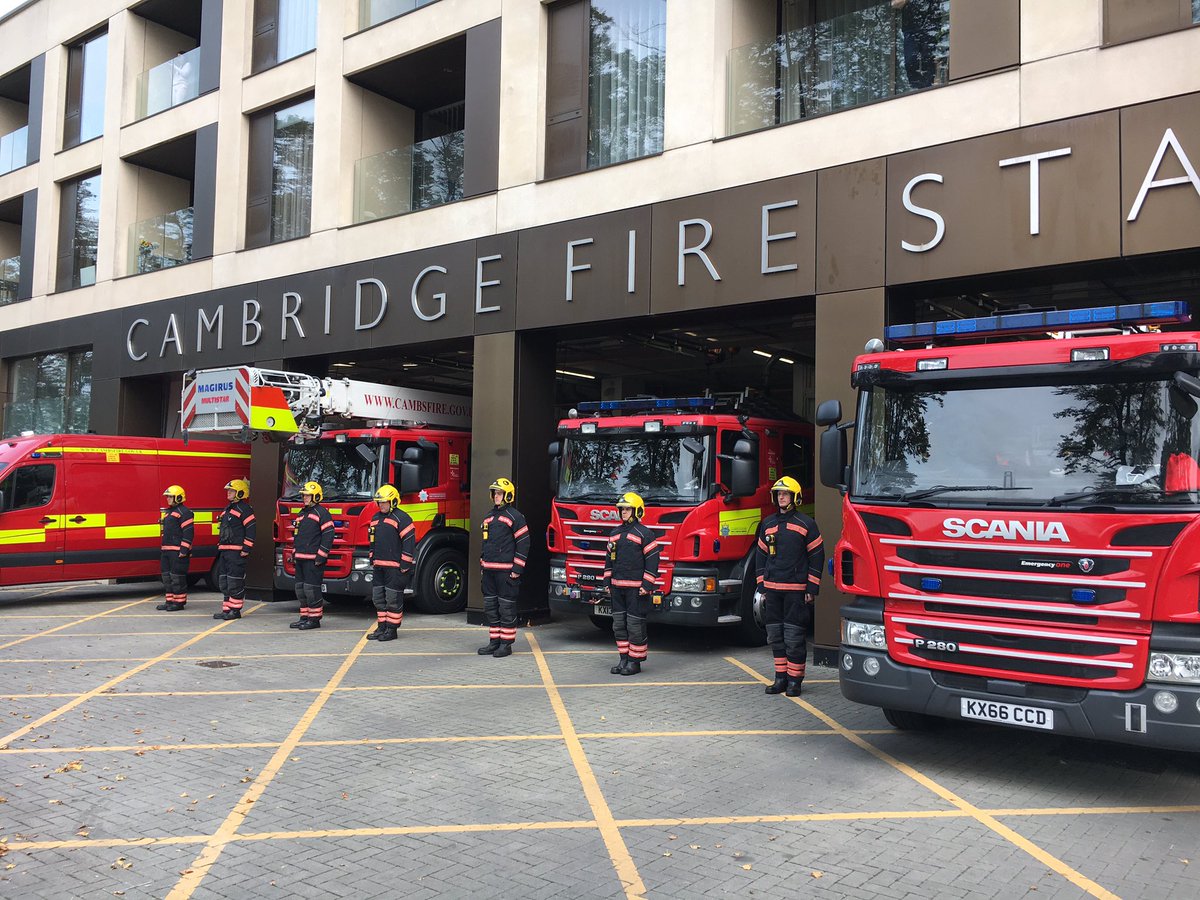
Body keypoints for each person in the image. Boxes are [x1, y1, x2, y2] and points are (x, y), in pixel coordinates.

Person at [755, 476, 824, 697]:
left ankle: (795, 681)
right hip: (772, 590)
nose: (781, 497)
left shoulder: (806, 524)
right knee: (775, 636)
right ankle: (780, 679)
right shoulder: (767, 524)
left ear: (795, 497)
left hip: (796, 591)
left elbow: (817, 557)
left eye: (785, 494)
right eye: (778, 494)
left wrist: (811, 589)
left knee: (794, 638)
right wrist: (761, 586)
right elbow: (760, 556)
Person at [601, 492, 661, 676]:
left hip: (636, 590)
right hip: (617, 588)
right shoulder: (615, 534)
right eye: (622, 509)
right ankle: (623, 659)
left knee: (634, 625)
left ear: (637, 511)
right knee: (619, 624)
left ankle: (635, 662)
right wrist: (607, 582)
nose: (624, 512)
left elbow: (653, 560)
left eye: (627, 509)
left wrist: (647, 585)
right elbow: (609, 560)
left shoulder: (645, 534)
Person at [477, 477, 529, 658]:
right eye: (495, 493)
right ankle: (494, 642)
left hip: (507, 572)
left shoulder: (515, 517)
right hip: (490, 571)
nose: (496, 496)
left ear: (507, 495)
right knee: (491, 607)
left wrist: (517, 569)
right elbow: (485, 544)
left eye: (499, 493)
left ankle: (506, 645)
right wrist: (482, 564)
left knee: (506, 608)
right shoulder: (488, 517)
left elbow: (524, 543)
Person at [366, 484, 416, 642]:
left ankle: (392, 630)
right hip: (379, 566)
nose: (381, 505)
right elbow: (372, 540)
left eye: (385, 502)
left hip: (395, 568)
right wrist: (372, 556)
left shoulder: (402, 518)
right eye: (379, 502)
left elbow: (409, 542)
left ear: (393, 501)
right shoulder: (375, 518)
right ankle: (382, 627)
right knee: (378, 598)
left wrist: (405, 564)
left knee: (393, 599)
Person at [289, 481, 334, 631]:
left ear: (316, 496)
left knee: (311, 589)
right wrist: (294, 552)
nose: (305, 498)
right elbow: (297, 536)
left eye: (308, 496)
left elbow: (328, 535)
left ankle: (314, 619)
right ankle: (304, 617)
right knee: (300, 589)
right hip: (301, 558)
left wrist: (321, 555)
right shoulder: (302, 514)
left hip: (313, 560)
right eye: (304, 496)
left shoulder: (322, 513)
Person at [214, 479, 255, 620]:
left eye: (231, 491)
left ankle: (235, 611)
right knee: (224, 581)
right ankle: (226, 609)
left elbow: (251, 530)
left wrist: (246, 548)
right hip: (225, 551)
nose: (228, 493)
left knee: (234, 581)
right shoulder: (228, 509)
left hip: (237, 552)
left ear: (240, 493)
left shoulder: (245, 509)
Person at [157, 484, 193, 612]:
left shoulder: (185, 513)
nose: (167, 499)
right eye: (167, 497)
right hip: (167, 550)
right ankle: (169, 600)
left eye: (170, 497)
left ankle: (179, 602)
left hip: (177, 551)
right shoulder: (169, 513)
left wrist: (184, 549)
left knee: (177, 577)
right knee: (167, 577)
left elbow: (188, 532)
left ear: (178, 497)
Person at [892, 0, 941, 90]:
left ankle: (928, 87)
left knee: (928, 59)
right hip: (911, 28)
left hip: (930, 25)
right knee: (911, 60)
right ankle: (915, 88)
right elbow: (895, 4)